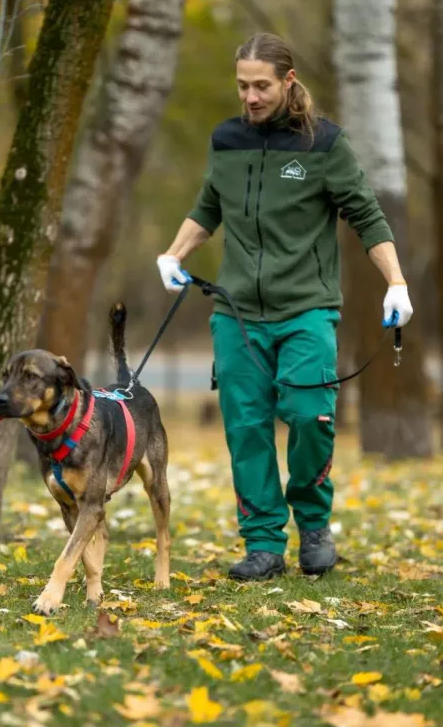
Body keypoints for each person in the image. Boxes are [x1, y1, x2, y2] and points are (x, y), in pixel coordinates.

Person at [156, 32, 413, 581]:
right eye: (243, 86)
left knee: (309, 417)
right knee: (246, 429)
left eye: (262, 86)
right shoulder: (225, 139)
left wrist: (396, 283)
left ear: (288, 82)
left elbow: (366, 216)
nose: (250, 97)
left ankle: (314, 525)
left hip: (307, 310)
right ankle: (263, 544)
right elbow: (208, 207)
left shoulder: (324, 144)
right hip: (237, 313)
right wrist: (173, 254)